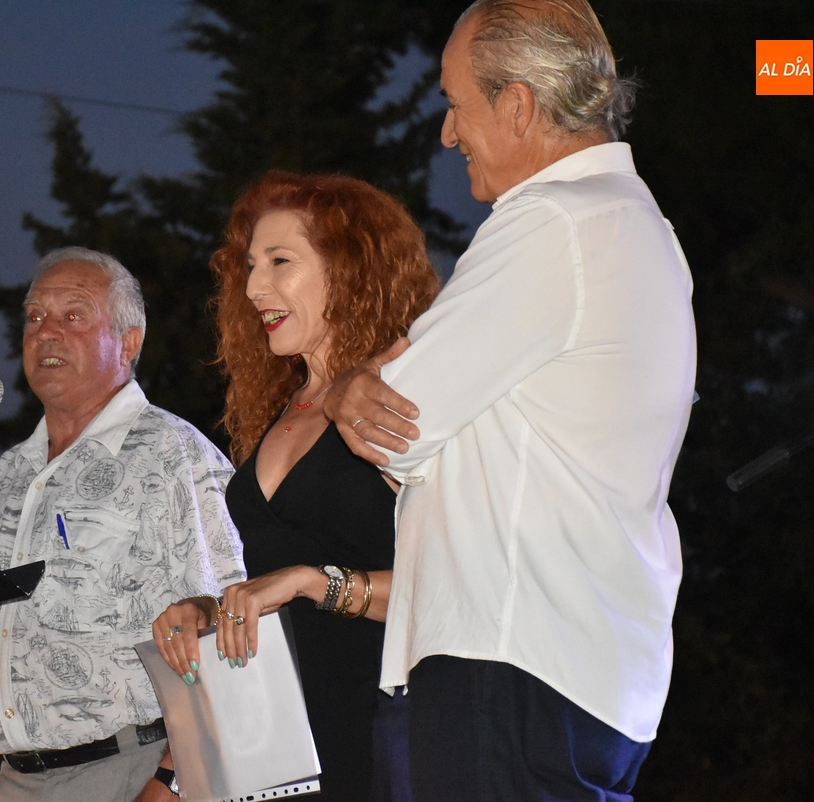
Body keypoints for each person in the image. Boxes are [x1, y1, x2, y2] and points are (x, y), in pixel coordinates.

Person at [325, 1, 696, 800]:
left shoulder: (553, 222)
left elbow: (393, 425)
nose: (447, 134)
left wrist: (350, 387)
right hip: (588, 670)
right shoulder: (642, 229)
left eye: (456, 104)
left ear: (518, 106)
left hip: (513, 656)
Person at [152, 171, 440, 801]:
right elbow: (278, 572)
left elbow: (456, 584)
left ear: (350, 269)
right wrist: (213, 612)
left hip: (381, 730)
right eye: (250, 266)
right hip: (277, 748)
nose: (254, 287)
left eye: (280, 261)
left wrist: (315, 582)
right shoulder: (284, 406)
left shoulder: (401, 393)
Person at [0, 247, 246, 802]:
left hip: (133, 769)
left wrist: (171, 783)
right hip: (13, 779)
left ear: (129, 343)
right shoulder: (6, 475)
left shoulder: (172, 453)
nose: (46, 331)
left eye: (73, 315)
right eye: (34, 316)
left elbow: (232, 626)